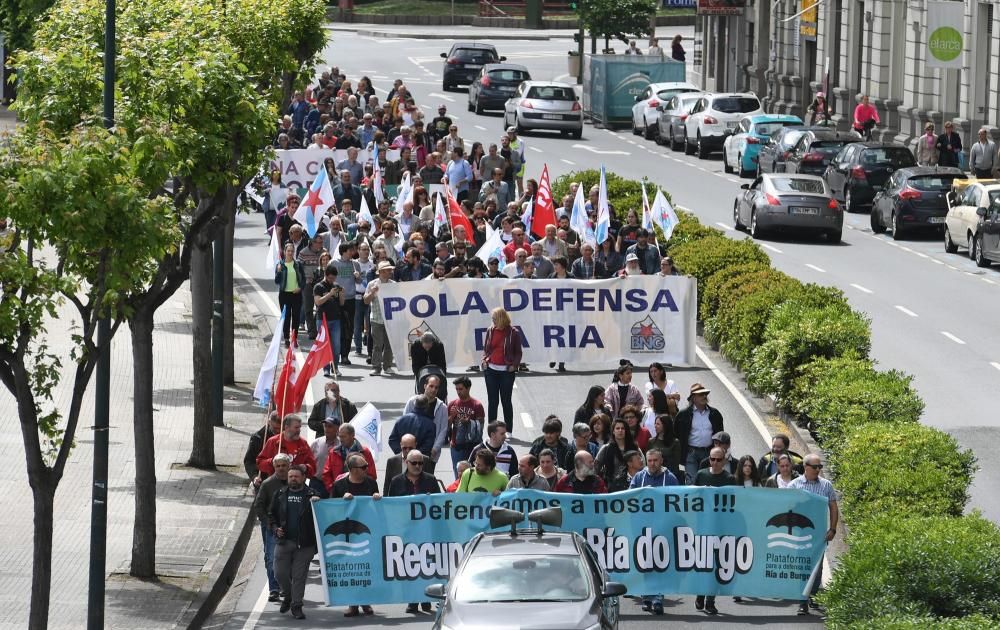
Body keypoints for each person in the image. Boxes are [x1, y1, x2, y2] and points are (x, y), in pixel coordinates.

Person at [386, 450, 440, 613]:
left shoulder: (430, 480)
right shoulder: (396, 481)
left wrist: (432, 500)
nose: (417, 466)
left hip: (426, 531)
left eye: (420, 463)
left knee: (426, 566)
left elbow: (439, 503)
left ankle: (425, 599)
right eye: (414, 463)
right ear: (406, 463)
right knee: (408, 566)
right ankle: (412, 600)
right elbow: (391, 504)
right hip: (405, 531)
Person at [330, 454, 380, 618]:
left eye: (367, 466)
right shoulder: (339, 485)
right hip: (347, 534)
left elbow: (378, 508)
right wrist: (341, 501)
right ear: (352, 470)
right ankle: (353, 604)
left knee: (366, 568)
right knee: (352, 569)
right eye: (363, 467)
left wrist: (377, 498)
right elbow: (330, 508)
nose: (367, 469)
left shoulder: (371, 483)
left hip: (367, 532)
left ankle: (366, 602)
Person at [789, 454, 839, 615]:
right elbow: (786, 506)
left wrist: (832, 529)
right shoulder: (794, 485)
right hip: (799, 534)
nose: (818, 470)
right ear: (806, 467)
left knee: (817, 568)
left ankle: (813, 595)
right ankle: (802, 601)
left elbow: (833, 507)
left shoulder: (826, 485)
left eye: (820, 467)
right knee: (802, 566)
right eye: (815, 467)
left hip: (819, 535)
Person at [269, 465, 321, 620]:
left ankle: (296, 606)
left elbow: (323, 516)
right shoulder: (279, 494)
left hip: (305, 544)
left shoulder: (312, 495)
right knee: (279, 573)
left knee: (299, 576)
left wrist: (318, 503)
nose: (293, 479)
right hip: (284, 541)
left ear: (304, 477)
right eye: (290, 476)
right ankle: (289, 595)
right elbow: (271, 515)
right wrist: (275, 528)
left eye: (296, 476)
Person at [692, 447, 737, 615]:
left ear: (724, 461)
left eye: (719, 460)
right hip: (702, 527)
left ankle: (710, 600)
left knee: (716, 565)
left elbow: (734, 503)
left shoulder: (730, 479)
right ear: (709, 459)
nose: (715, 463)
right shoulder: (701, 474)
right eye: (712, 459)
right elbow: (692, 497)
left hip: (720, 529)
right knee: (703, 564)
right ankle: (700, 594)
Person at [253, 453, 290, 602]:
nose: (281, 468)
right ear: (274, 467)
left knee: (289, 558)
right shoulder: (267, 484)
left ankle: (285, 586)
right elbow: (259, 505)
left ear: (289, 466)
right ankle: (273, 588)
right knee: (271, 557)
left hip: (290, 526)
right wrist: (269, 523)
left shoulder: (294, 480)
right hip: (270, 527)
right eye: (278, 466)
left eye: (283, 465)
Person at [479, 307, 522, 430]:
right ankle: (492, 430)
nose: (492, 321)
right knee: (493, 402)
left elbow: (518, 352)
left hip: (506, 372)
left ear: (501, 319)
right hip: (491, 370)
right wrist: (484, 361)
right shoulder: (490, 330)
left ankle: (508, 430)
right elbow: (486, 349)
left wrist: (514, 365)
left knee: (506, 401)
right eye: (492, 319)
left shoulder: (514, 333)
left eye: (494, 319)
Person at [675, 383, 724, 484]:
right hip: (690, 453)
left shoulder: (715, 414)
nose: (704, 396)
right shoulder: (683, 415)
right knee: (691, 482)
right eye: (701, 394)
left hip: (709, 453)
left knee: (708, 481)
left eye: (705, 394)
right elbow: (676, 435)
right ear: (693, 398)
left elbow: (720, 435)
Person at [392, 390, 441, 471]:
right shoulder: (430, 425)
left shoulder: (401, 420)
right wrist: (414, 458)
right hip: (419, 464)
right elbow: (427, 446)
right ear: (427, 406)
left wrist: (403, 454)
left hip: (402, 461)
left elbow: (392, 440)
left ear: (414, 404)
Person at [256, 415, 317, 480]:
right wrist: (273, 461)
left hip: (296, 485)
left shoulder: (303, 444)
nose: (299, 430)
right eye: (296, 427)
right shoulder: (273, 442)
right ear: (287, 427)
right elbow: (260, 463)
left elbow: (313, 468)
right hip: (277, 483)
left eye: (299, 427)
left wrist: (306, 468)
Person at [364, 261, 397, 376]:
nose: (390, 272)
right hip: (377, 319)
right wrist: (372, 292)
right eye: (388, 270)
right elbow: (366, 300)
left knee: (389, 344)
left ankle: (387, 366)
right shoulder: (372, 284)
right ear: (382, 272)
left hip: (390, 319)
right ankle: (376, 367)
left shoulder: (393, 284)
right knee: (377, 345)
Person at [448, 376, 486, 475]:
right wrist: (452, 416)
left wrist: (468, 423)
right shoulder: (452, 404)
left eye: (461, 389)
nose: (458, 392)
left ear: (468, 388)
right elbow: (446, 427)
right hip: (457, 446)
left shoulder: (477, 405)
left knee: (474, 474)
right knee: (459, 474)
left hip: (472, 446)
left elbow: (480, 429)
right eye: (456, 389)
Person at [322, 423, 377, 491]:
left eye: (344, 437)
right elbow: (326, 474)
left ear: (352, 435)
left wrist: (364, 488)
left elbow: (372, 475)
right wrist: (333, 488)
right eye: (340, 436)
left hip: (360, 492)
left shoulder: (365, 452)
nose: (341, 439)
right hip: (339, 493)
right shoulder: (333, 452)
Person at [313, 263, 345, 376]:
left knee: (336, 346)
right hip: (322, 319)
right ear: (326, 275)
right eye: (330, 278)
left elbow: (342, 303)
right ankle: (325, 368)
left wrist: (341, 294)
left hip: (335, 319)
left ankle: (335, 367)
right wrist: (329, 294)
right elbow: (318, 302)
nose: (332, 280)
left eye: (334, 278)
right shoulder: (318, 286)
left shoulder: (336, 286)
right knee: (324, 345)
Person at [595, 418, 639, 492]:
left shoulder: (634, 447)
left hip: (633, 486)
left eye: (623, 428)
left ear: (626, 431)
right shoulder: (606, 448)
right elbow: (595, 468)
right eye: (617, 428)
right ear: (613, 431)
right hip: (612, 488)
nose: (620, 431)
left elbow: (642, 465)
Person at [275, 243, 306, 345]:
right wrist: (279, 272)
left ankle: (294, 337)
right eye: (288, 251)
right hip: (284, 295)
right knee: (286, 316)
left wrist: (300, 288)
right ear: (284, 252)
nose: (290, 253)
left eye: (292, 251)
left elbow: (303, 280)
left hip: (296, 294)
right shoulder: (280, 265)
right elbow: (277, 281)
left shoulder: (298, 264)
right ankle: (287, 338)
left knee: (296, 316)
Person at [245, 411, 281, 484]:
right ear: (269, 422)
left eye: (280, 428)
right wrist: (254, 476)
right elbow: (249, 460)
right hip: (263, 479)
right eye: (275, 428)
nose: (277, 431)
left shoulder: (288, 437)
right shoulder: (257, 438)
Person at [646, 415, 682, 481]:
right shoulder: (651, 441)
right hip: (654, 476)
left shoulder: (675, 442)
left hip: (669, 475)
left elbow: (676, 463)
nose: (655, 426)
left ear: (665, 425)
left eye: (658, 424)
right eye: (655, 423)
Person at [411, 332, 447, 396]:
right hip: (421, 368)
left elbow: (442, 362)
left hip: (436, 368)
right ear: (422, 343)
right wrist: (417, 374)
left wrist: (443, 374)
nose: (427, 349)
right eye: (425, 347)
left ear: (432, 343)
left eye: (429, 347)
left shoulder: (439, 345)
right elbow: (415, 363)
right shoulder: (415, 346)